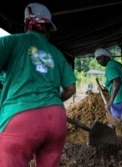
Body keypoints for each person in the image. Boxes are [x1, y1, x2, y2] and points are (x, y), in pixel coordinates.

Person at [0, 2, 76, 167]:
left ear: (27, 23)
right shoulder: (56, 53)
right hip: (56, 119)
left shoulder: (14, 42)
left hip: (21, 116)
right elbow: (70, 89)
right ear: (47, 29)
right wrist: (50, 103)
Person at [94, 48, 122, 133]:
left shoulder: (110, 67)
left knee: (112, 122)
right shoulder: (116, 64)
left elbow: (116, 82)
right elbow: (112, 81)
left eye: (100, 58)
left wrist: (110, 101)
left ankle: (106, 141)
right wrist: (104, 87)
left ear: (106, 57)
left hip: (121, 96)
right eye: (97, 59)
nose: (99, 61)